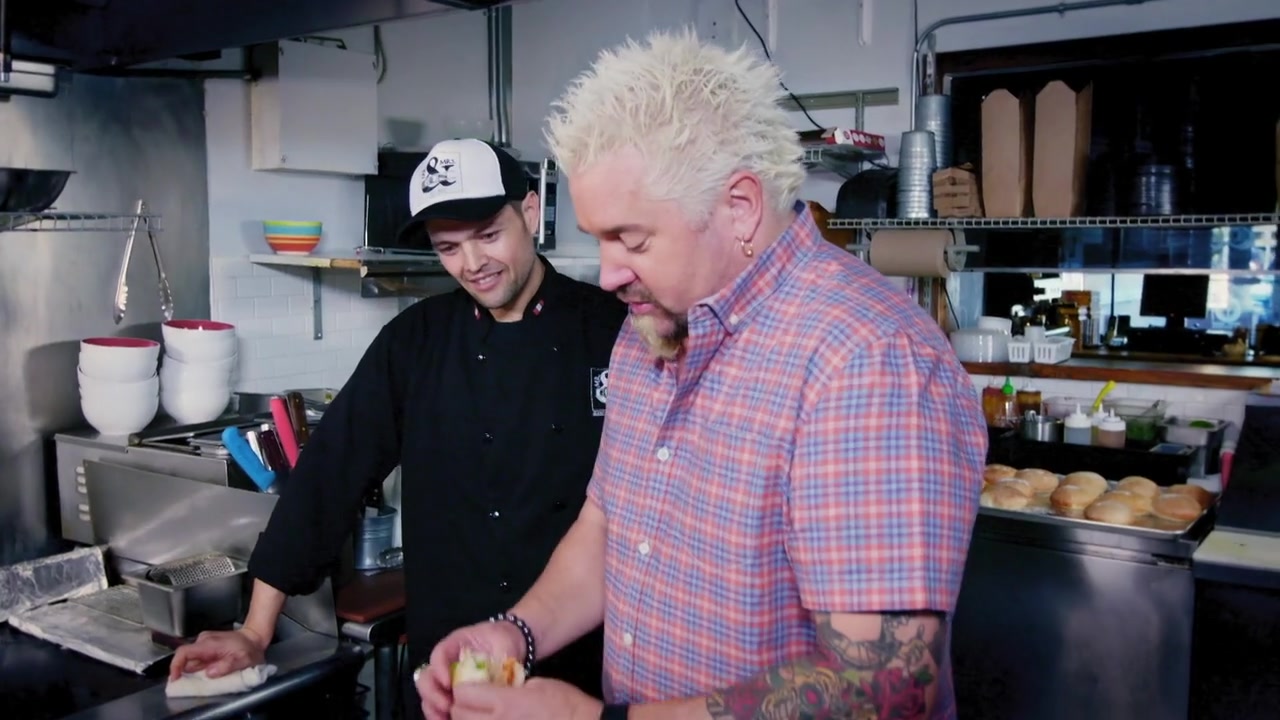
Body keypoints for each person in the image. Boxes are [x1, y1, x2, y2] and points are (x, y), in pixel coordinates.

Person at [415, 29, 987, 720]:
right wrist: (517, 633)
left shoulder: (866, 361)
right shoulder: (649, 329)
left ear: (738, 208)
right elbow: (609, 525)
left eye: (631, 238)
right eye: (600, 238)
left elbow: (887, 689)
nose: (608, 272)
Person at [169, 138, 626, 716]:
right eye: (448, 248)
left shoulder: (612, 331)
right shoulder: (415, 343)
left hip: (581, 672)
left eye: (489, 236)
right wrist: (255, 630)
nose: (472, 264)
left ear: (530, 213)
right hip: (449, 670)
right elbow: (327, 477)